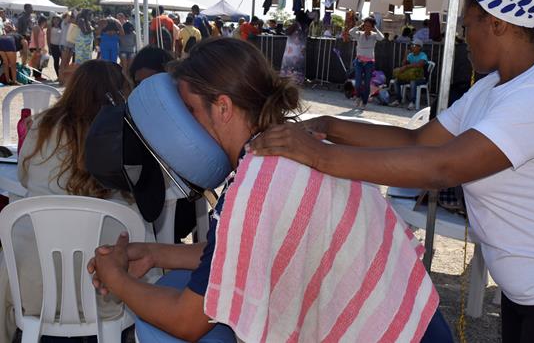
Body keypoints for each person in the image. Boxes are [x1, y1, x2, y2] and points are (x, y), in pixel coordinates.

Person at [251, 0, 534, 343]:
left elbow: (442, 167)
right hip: (531, 295)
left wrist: (316, 155)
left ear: (497, 23)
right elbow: (418, 139)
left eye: (468, 24)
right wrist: (329, 126)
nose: (463, 36)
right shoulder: (492, 86)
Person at [87, 38, 452, 343]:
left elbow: (188, 321)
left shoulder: (254, 185)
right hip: (416, 321)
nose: (184, 123)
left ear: (223, 107)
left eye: (190, 109)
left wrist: (116, 278)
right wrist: (154, 253)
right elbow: (242, 251)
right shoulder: (289, 146)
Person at [0, 60, 155, 342]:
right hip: (108, 284)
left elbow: (24, 178)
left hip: (35, 282)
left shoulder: (42, 126)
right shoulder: (125, 135)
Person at [349, 17, 384, 108]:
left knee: (367, 83)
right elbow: (350, 32)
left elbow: (381, 37)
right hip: (359, 61)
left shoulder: (374, 35)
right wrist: (359, 26)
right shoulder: (359, 34)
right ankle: (358, 97)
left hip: (369, 63)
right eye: (365, 25)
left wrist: (375, 29)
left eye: (369, 26)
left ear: (372, 27)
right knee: (358, 82)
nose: (367, 27)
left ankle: (364, 102)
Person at [390, 39, 430, 110]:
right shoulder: (410, 55)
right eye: (411, 45)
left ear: (419, 47)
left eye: (414, 45)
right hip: (410, 76)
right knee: (396, 81)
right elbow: (403, 65)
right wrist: (405, 55)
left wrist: (407, 66)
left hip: (421, 78)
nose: (412, 47)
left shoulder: (423, 55)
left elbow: (419, 65)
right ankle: (398, 100)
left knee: (413, 82)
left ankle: (412, 102)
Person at [28, 15, 48, 80]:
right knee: (36, 62)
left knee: (41, 62)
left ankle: (39, 75)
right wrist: (37, 49)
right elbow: (35, 38)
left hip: (40, 47)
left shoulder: (41, 28)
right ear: (43, 21)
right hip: (35, 47)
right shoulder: (36, 27)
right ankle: (37, 76)